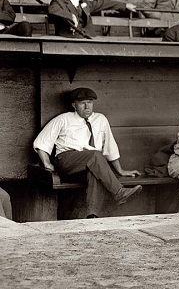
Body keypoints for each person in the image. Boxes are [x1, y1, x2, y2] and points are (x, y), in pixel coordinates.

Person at [32, 87, 143, 215]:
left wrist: (120, 170)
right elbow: (42, 142)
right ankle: (119, 192)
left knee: (95, 174)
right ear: (74, 105)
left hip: (89, 163)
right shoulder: (63, 119)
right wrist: (47, 164)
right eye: (82, 103)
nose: (87, 107)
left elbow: (110, 146)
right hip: (67, 160)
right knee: (95, 155)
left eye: (89, 102)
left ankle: (92, 215)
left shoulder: (100, 119)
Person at [47, 0, 137, 38]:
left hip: (87, 40)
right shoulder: (59, 2)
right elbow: (52, 10)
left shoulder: (84, 3)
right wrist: (71, 17)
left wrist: (124, 5)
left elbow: (103, 3)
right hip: (68, 41)